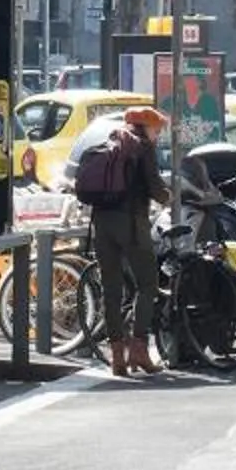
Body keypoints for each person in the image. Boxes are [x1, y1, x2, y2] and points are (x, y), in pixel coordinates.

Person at [77, 104, 170, 376]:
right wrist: (169, 196)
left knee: (111, 289)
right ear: (145, 127)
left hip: (102, 224)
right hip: (130, 223)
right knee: (148, 283)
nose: (158, 135)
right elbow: (154, 186)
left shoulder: (111, 142)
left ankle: (117, 356)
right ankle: (139, 349)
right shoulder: (142, 148)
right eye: (157, 130)